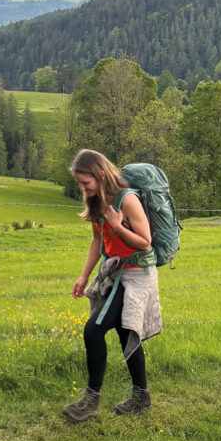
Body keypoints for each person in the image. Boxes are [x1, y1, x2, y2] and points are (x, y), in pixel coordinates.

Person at [62, 149, 162, 422]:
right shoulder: (97, 202)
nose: (83, 188)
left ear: (101, 175)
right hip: (114, 273)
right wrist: (84, 276)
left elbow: (145, 242)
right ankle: (141, 396)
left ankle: (90, 400)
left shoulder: (127, 199)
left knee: (93, 330)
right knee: (125, 332)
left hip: (137, 275)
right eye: (79, 184)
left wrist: (118, 226)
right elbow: (97, 242)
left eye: (86, 183)